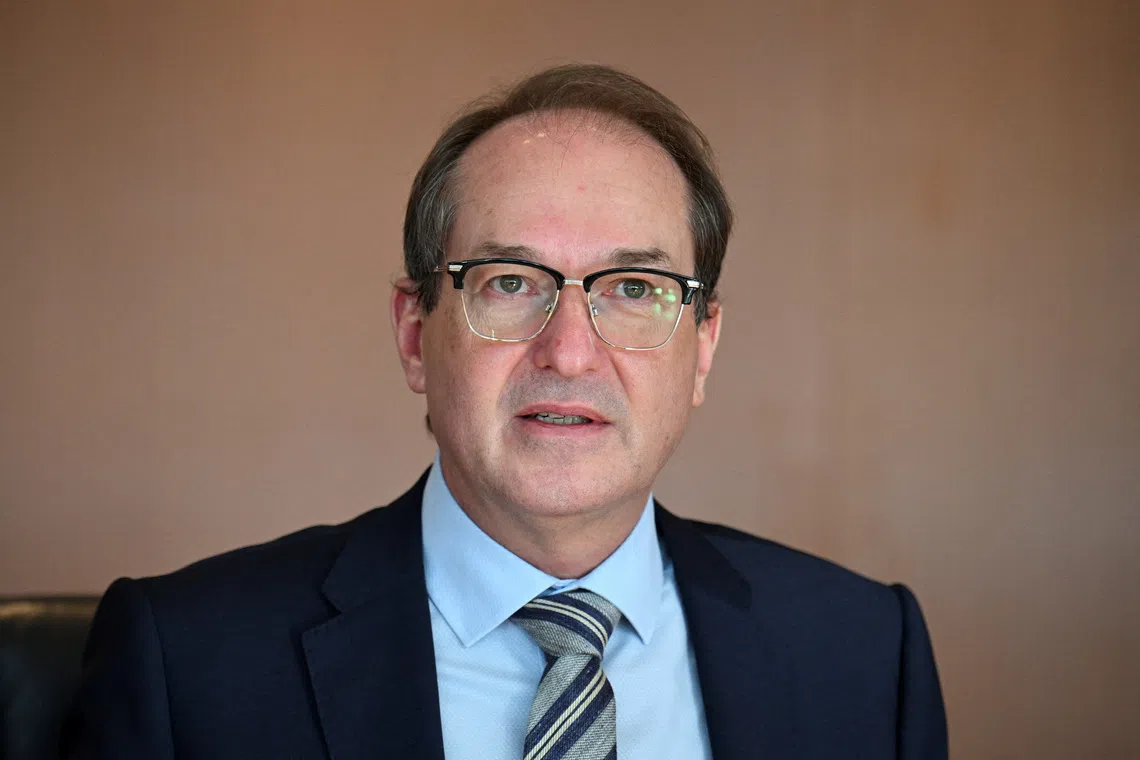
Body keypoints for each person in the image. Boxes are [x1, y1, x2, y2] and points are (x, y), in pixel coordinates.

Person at [62, 64, 947, 759]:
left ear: (702, 346)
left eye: (635, 288)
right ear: (416, 335)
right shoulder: (189, 660)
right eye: (510, 283)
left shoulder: (866, 654)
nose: (568, 350)